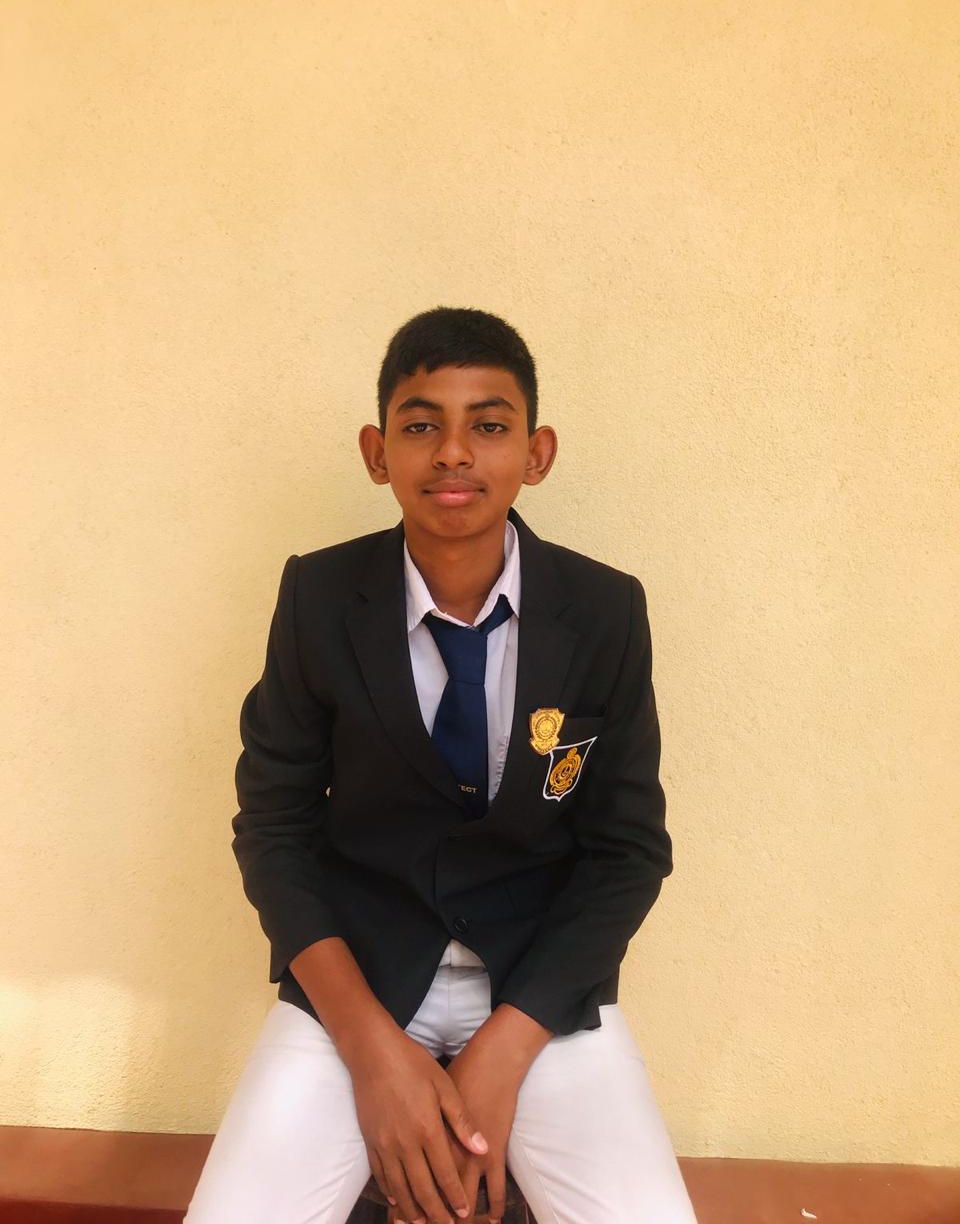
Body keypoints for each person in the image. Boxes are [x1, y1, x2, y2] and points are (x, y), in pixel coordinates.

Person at [184, 307, 698, 1224]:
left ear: (536, 453)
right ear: (377, 452)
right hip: (360, 983)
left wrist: (506, 1050)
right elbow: (273, 829)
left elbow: (628, 851)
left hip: (539, 987)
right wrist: (370, 1050)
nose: (454, 452)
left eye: (488, 426)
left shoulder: (604, 610)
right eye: (421, 426)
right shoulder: (318, 595)